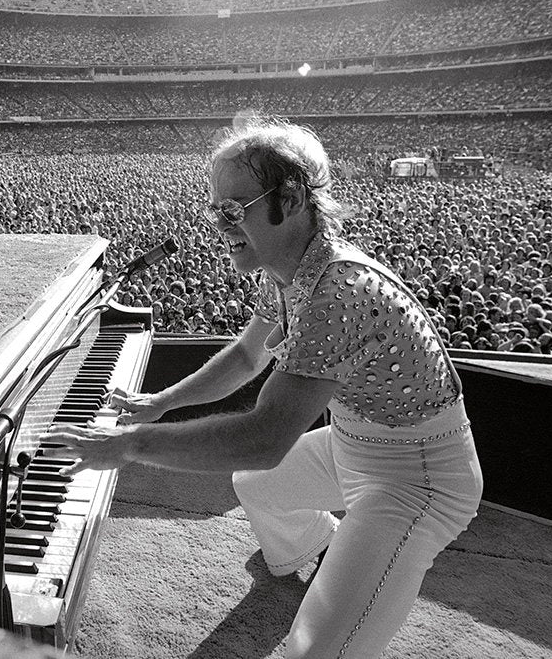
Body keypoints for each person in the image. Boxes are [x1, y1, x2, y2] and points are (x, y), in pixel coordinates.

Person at [42, 118, 484, 659]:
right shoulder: (288, 271)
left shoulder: (337, 293)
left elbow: (264, 438)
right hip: (355, 446)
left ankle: (350, 566)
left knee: (316, 649)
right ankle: (321, 547)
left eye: (232, 210)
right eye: (214, 209)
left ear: (292, 197)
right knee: (256, 485)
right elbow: (249, 355)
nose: (218, 224)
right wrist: (162, 402)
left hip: (418, 478)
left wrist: (129, 445)